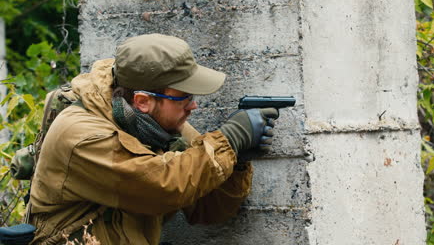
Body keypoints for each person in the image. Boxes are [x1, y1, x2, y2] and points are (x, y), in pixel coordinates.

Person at [29, 33, 279, 244]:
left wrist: (237, 162)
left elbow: (208, 209)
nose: (193, 106)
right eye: (185, 97)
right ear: (143, 101)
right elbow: (164, 186)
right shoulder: (81, 135)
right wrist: (230, 139)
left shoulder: (158, 126)